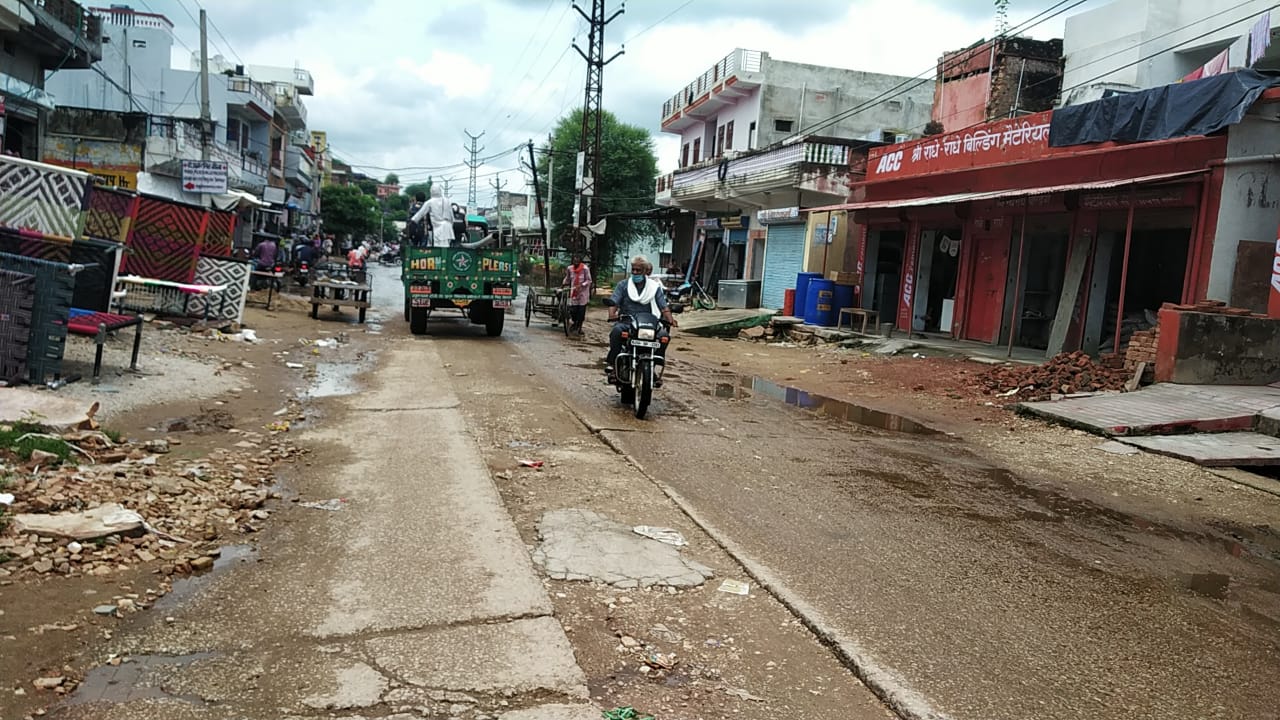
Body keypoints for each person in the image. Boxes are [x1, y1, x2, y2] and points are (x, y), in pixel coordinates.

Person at [606, 255, 677, 386]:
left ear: (645, 271)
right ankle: (614, 367)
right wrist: (612, 314)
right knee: (616, 331)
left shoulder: (654, 287)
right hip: (627, 322)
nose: (635, 273)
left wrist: (670, 319)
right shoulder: (623, 285)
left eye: (638, 270)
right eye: (633, 270)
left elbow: (663, 306)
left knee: (664, 337)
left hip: (647, 324)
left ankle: (653, 367)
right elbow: (614, 302)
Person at [561, 253, 592, 336]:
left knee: (581, 313)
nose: (576, 262)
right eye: (574, 260)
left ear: (580, 261)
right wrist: (563, 285)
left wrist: (582, 285)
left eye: (577, 260)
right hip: (574, 293)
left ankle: (579, 328)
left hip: (583, 294)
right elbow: (567, 278)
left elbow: (589, 280)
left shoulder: (585, 269)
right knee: (573, 311)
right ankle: (575, 324)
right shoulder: (570, 269)